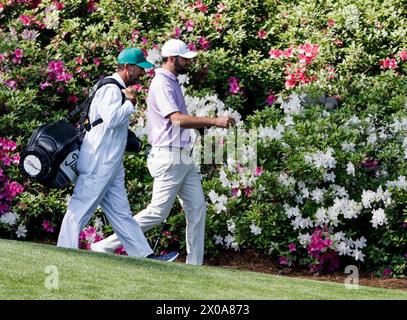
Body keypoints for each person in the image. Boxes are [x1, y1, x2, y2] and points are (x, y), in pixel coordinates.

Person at [91, 39, 235, 265]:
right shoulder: (162, 83)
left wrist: (201, 129)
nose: (188, 62)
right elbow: (176, 119)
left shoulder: (172, 82)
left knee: (197, 209)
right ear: (171, 58)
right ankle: (103, 246)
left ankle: (194, 265)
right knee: (157, 212)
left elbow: (178, 119)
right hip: (169, 156)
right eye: (184, 58)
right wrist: (214, 121)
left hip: (182, 156)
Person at [57, 47, 178, 262]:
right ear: (128, 67)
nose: (142, 73)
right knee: (78, 210)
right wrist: (130, 104)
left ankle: (145, 256)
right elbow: (112, 119)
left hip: (110, 164)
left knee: (122, 215)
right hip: (98, 161)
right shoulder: (111, 89)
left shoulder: (117, 88)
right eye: (139, 68)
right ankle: (64, 252)